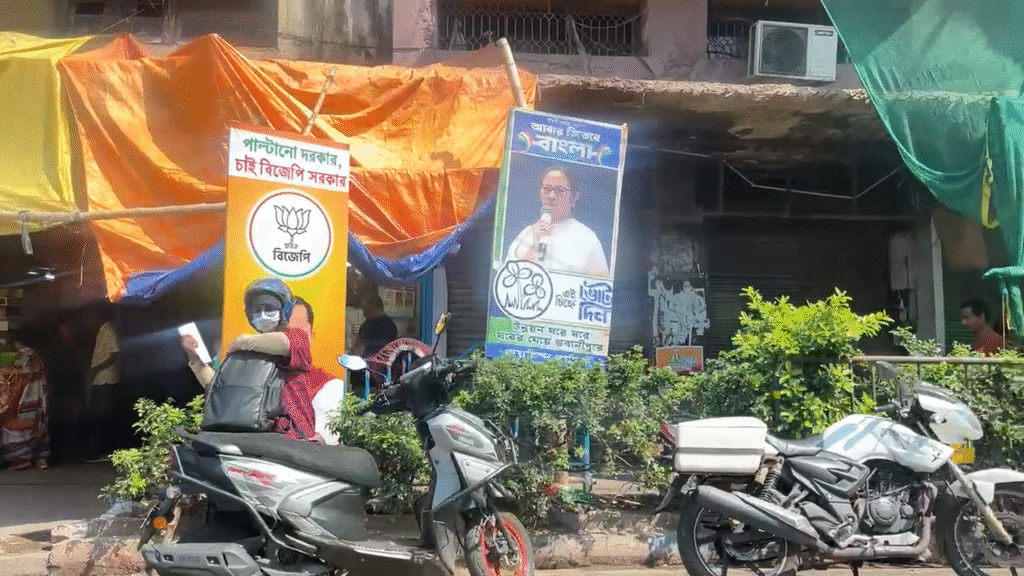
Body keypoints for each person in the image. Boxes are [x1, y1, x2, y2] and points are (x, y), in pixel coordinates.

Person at [182, 278, 320, 443]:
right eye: (257, 310)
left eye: (269, 309)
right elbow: (219, 388)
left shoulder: (297, 338)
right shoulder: (241, 351)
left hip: (294, 436)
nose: (263, 315)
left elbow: (283, 343)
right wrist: (196, 361)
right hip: (253, 439)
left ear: (285, 311)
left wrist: (242, 342)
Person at [505, 164, 610, 277]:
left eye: (559, 190)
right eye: (546, 189)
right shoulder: (528, 232)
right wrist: (534, 241)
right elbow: (508, 277)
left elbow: (600, 283)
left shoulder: (587, 237)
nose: (551, 196)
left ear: (574, 198)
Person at [290, 296, 345, 445]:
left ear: (312, 337)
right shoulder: (250, 380)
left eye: (300, 334)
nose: (292, 343)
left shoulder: (330, 387)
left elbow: (322, 443)